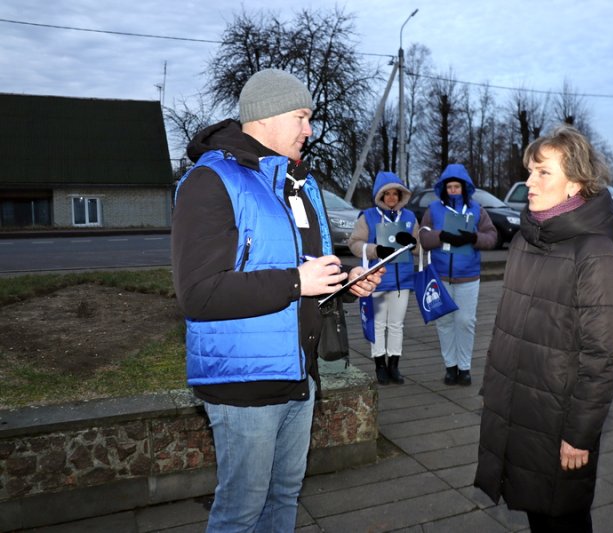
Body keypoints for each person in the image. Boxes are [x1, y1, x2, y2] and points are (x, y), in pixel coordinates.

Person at [170, 68, 383, 533]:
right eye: (302, 117)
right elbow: (199, 294)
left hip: (298, 372)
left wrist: (345, 281)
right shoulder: (210, 182)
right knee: (240, 513)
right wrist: (296, 282)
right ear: (265, 117)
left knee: (284, 498)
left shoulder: (295, 184)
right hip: (244, 383)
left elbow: (304, 273)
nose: (310, 130)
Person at [474, 126, 613, 532]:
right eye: (529, 171)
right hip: (520, 407)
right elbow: (510, 328)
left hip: (560, 417)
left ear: (575, 183)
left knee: (563, 519)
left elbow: (602, 356)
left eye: (543, 173)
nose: (528, 182)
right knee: (537, 514)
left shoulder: (595, 252)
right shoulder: (529, 238)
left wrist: (580, 434)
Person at [418, 164, 497, 386]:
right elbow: (423, 238)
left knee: (465, 321)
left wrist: (473, 239)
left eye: (457, 186)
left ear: (465, 188)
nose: (453, 190)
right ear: (444, 188)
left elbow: (491, 237)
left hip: (468, 276)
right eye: (449, 186)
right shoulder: (433, 210)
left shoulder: (477, 210)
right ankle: (450, 367)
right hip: (440, 276)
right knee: (443, 321)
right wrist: (441, 235)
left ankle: (465, 368)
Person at [348, 171, 419, 385]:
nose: (391, 198)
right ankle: (380, 365)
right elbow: (354, 244)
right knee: (378, 324)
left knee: (396, 324)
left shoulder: (409, 217)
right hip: (377, 278)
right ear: (379, 195)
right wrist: (374, 250)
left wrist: (414, 243)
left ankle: (394, 365)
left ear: (400, 196)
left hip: (402, 280)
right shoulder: (367, 216)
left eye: (395, 194)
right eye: (386, 194)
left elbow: (419, 247)